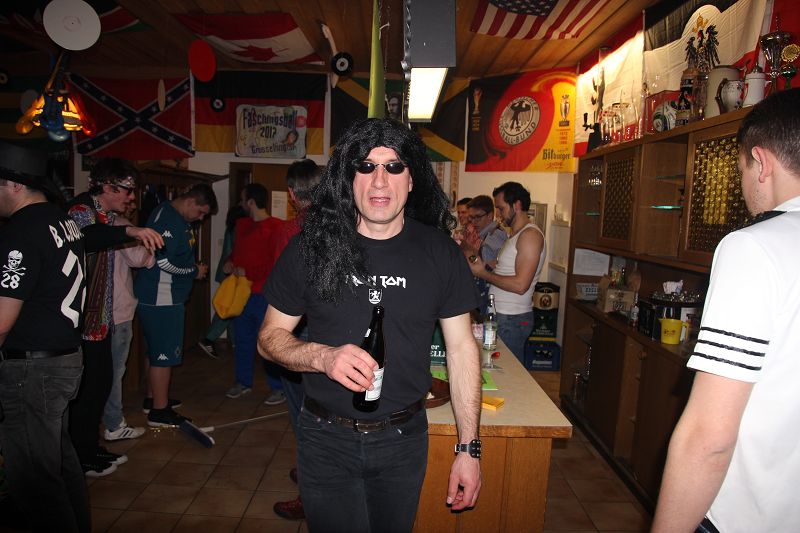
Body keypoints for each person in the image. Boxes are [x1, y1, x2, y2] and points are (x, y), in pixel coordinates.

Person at [258, 118, 482, 532]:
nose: (380, 181)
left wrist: (468, 449)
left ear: (411, 180)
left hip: (403, 440)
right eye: (366, 166)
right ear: (349, 178)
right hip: (324, 439)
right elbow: (269, 339)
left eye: (394, 167)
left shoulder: (441, 253)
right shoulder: (311, 247)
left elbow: (461, 348)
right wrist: (323, 357)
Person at [652, 88, 800, 533]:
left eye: (741, 170)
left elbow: (709, 437)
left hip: (744, 516)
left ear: (761, 162)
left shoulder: (754, 247)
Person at [0, 142, 88, 532]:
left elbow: (2, 320)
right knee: (59, 462)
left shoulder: (21, 231)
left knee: (34, 479)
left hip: (33, 370)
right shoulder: (63, 219)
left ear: (13, 184)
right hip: (64, 357)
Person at [67, 158, 163, 477]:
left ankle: (90, 447)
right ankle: (81, 455)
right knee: (88, 390)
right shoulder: (81, 209)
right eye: (127, 190)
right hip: (83, 321)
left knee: (100, 385)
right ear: (107, 187)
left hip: (102, 318)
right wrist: (131, 229)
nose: (132, 198)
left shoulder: (107, 216)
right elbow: (87, 237)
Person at [134, 184, 217, 427]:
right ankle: (159, 411)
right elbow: (162, 262)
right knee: (164, 354)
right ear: (190, 202)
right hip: (162, 296)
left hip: (164, 296)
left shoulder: (176, 218)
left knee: (155, 351)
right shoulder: (167, 219)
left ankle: (153, 399)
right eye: (201, 212)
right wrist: (193, 271)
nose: (200, 218)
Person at [270, 158, 322, 521]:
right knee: (321, 414)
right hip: (330, 333)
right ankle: (310, 475)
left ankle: (310, 494)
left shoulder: (290, 231)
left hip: (297, 332)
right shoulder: (342, 226)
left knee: (305, 418)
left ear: (291, 194)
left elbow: (281, 292)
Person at [468, 182, 545, 363]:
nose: (499, 214)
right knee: (497, 368)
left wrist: (483, 273)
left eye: (501, 208)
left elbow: (520, 285)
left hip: (512, 318)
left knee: (508, 372)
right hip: (503, 316)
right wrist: (479, 263)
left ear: (516, 205)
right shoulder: (516, 235)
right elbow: (501, 267)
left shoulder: (530, 236)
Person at [225, 183, 286, 404]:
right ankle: (243, 382)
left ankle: (278, 388)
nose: (241, 204)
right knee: (242, 340)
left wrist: (248, 272)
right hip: (241, 293)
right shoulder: (242, 225)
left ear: (251, 202)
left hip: (265, 295)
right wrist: (230, 262)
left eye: (243, 200)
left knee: (269, 343)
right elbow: (237, 253)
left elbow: (275, 264)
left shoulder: (277, 227)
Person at [101, 210, 154, 442]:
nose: (131, 199)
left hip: (95, 312)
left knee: (101, 371)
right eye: (127, 194)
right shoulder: (119, 224)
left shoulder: (89, 221)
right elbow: (139, 258)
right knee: (114, 370)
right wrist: (149, 245)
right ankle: (114, 424)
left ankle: (106, 420)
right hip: (117, 310)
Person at [197, 205, 247, 358]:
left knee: (230, 309)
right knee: (229, 310)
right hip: (233, 274)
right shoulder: (240, 229)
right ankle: (209, 339)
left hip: (227, 273)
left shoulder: (232, 228)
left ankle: (235, 342)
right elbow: (235, 253)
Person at [461, 195, 508, 314]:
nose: (474, 222)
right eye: (471, 218)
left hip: (493, 300)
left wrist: (468, 252)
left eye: (477, 217)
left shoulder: (495, 236)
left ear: (490, 216)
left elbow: (488, 268)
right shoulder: (490, 235)